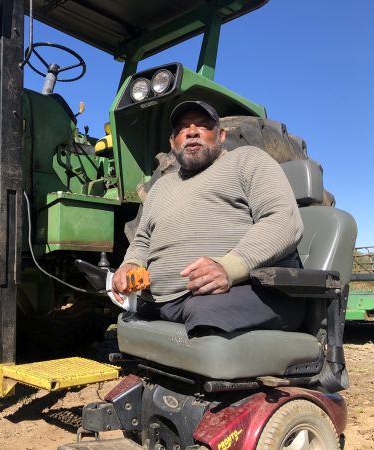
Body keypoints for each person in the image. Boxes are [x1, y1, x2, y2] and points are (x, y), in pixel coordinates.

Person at [112, 100, 305, 335]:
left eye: (203, 125)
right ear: (173, 143)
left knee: (203, 310)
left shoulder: (247, 160)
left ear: (222, 135)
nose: (192, 131)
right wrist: (130, 265)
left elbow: (283, 220)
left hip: (249, 291)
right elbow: (143, 239)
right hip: (166, 301)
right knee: (131, 313)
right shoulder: (161, 187)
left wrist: (229, 267)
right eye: (182, 128)